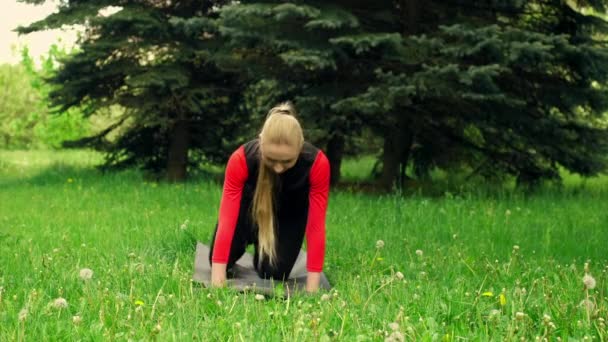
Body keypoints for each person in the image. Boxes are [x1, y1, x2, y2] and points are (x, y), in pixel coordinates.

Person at [208, 102, 330, 293]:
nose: (279, 168)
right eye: (271, 159)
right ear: (260, 143)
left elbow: (315, 227)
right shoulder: (241, 159)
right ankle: (252, 238)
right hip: (248, 213)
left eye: (287, 161)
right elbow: (227, 220)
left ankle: (263, 253)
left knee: (275, 274)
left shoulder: (317, 164)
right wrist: (217, 280)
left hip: (289, 215)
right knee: (215, 262)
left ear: (300, 147)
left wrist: (312, 288)